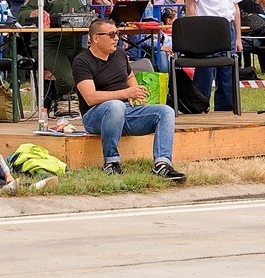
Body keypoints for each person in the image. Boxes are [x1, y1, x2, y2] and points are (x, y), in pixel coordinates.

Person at [73, 18, 185, 181]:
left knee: (165, 111)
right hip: (95, 116)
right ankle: (111, 162)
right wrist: (126, 93)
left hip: (125, 112)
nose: (116, 38)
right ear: (95, 38)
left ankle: (162, 164)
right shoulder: (82, 61)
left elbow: (129, 76)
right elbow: (90, 98)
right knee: (115, 106)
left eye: (117, 34)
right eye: (111, 35)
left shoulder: (119, 54)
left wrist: (137, 92)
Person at [17, 0, 93, 110]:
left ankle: (79, 105)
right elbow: (21, 16)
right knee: (67, 79)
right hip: (49, 45)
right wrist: (34, 12)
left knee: (95, 71)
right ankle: (55, 101)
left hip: (75, 44)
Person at [185, 0, 244, 112]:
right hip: (206, 28)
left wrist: (239, 37)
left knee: (227, 73)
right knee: (204, 72)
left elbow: (236, 8)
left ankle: (226, 111)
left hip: (227, 27)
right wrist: (194, 33)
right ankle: (198, 109)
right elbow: (190, 5)